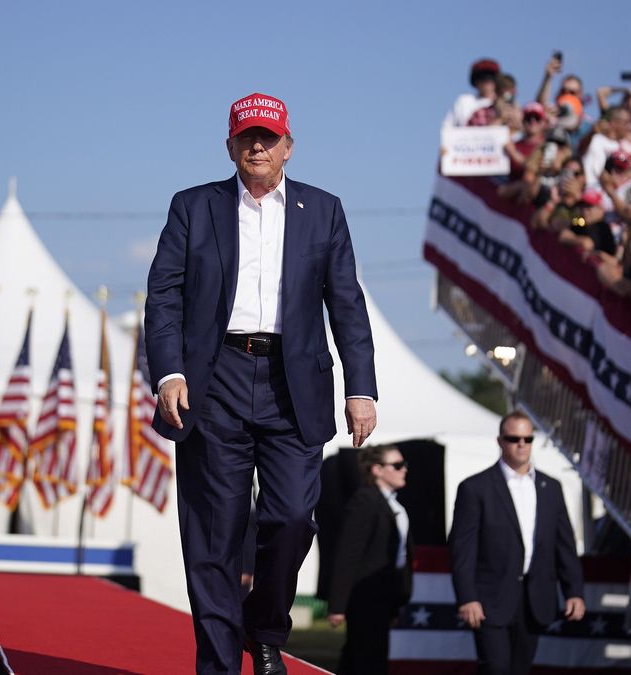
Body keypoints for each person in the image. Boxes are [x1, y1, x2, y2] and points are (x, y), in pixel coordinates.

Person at [145, 92, 378, 675]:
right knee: (214, 539)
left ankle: (266, 625)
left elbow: (345, 303)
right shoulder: (192, 207)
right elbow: (164, 295)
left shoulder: (323, 211)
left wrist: (361, 387)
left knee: (293, 517)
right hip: (212, 381)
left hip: (293, 384)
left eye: (268, 137)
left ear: (288, 147)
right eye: (246, 136)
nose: (257, 145)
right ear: (229, 145)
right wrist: (169, 372)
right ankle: (219, 668)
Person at [448, 411, 585, 675]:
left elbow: (564, 544)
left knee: (520, 669)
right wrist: (467, 597)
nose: (521, 444)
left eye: (527, 438)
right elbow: (462, 549)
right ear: (500, 441)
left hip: (535, 599)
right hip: (489, 599)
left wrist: (574, 591)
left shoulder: (551, 487)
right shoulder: (475, 488)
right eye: (513, 438)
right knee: (496, 667)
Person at [326, 445, 413, 675]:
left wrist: (398, 601)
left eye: (404, 464)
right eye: (397, 465)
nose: (404, 469)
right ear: (377, 470)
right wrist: (337, 605)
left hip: (384, 598)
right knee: (368, 661)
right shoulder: (365, 501)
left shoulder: (393, 505)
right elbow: (348, 554)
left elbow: (400, 558)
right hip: (365, 597)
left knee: (359, 660)